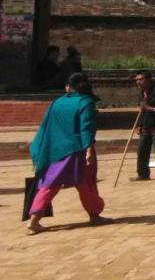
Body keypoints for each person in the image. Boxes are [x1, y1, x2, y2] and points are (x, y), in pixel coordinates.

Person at [26, 73, 112, 234]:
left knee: (57, 184)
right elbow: (86, 127)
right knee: (83, 184)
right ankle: (94, 215)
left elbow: (45, 126)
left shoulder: (57, 102)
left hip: (54, 150)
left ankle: (35, 220)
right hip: (77, 150)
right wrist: (88, 149)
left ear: (68, 86)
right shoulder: (85, 103)